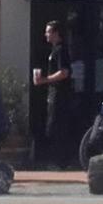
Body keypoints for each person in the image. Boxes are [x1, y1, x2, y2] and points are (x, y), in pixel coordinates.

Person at [32, 20, 73, 168]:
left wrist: (44, 80)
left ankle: (61, 161)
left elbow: (64, 72)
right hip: (53, 92)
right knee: (51, 125)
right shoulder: (54, 50)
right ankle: (57, 159)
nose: (46, 34)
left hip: (60, 93)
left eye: (49, 31)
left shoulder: (61, 50)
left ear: (56, 33)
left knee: (57, 126)